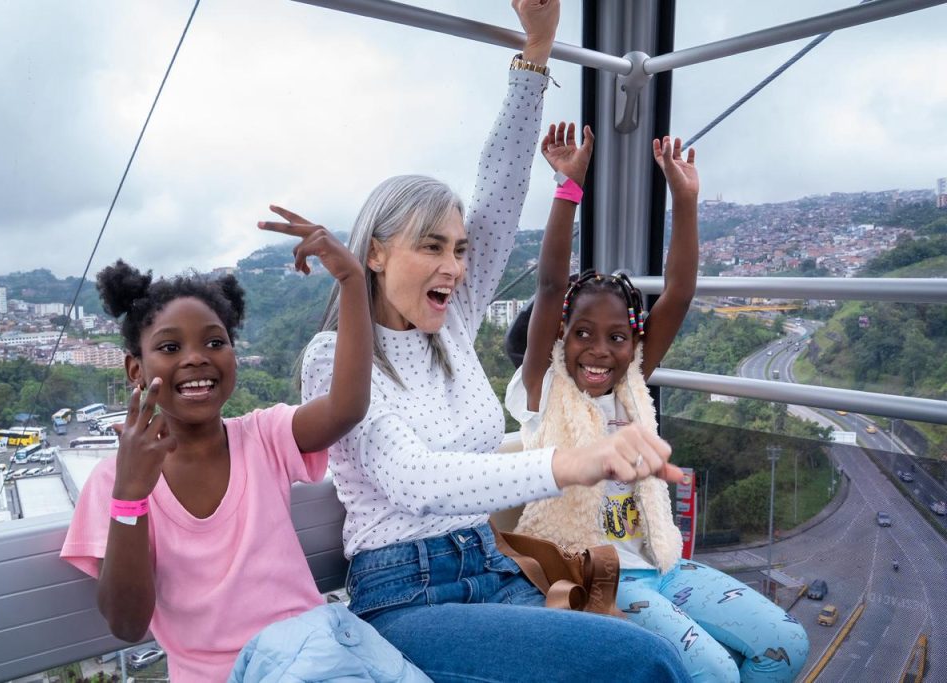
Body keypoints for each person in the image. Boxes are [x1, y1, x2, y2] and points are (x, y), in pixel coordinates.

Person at [289, 2, 690, 680]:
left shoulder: (452, 323)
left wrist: (536, 54)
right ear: (376, 254)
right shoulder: (335, 358)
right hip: (407, 595)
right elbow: (415, 479)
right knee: (644, 662)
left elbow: (500, 191)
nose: (454, 266)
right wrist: (571, 461)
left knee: (639, 648)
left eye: (460, 249)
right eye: (432, 246)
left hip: (493, 563)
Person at [503, 122, 809, 682]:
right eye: (582, 334)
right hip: (598, 573)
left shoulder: (631, 385)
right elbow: (549, 288)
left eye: (617, 337)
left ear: (634, 345)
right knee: (716, 673)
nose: (599, 350)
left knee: (786, 643)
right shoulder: (543, 391)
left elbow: (680, 292)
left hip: (662, 564)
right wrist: (569, 188)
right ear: (558, 338)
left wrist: (684, 200)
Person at [60, 219, 426, 682]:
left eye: (215, 342)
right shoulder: (115, 481)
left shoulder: (263, 436)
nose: (196, 357)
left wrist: (354, 282)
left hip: (316, 652)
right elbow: (128, 624)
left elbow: (346, 407)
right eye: (170, 347)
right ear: (136, 369)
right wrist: (131, 496)